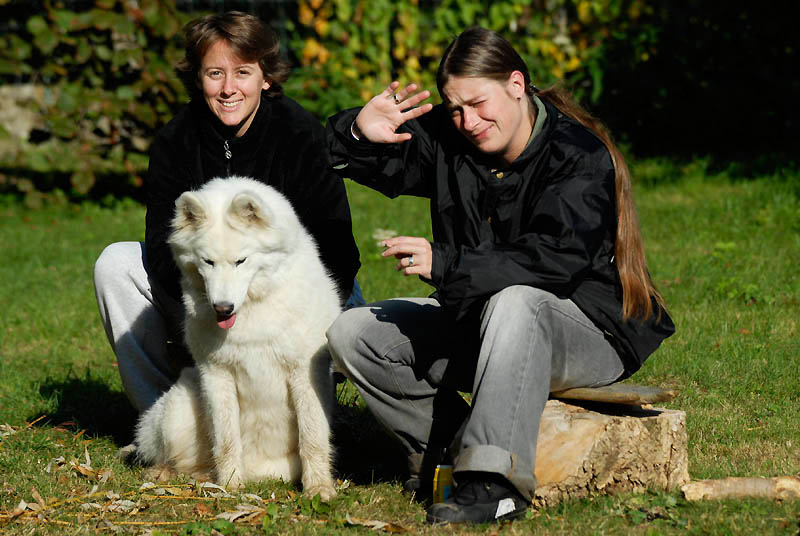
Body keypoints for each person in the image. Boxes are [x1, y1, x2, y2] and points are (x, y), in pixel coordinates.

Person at [325, 27, 674, 525]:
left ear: (516, 84)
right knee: (353, 332)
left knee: (517, 301)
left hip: (587, 330)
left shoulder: (577, 155)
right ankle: (442, 456)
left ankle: (495, 484)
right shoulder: (454, 139)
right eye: (455, 108)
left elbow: (556, 262)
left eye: (478, 102)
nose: (467, 121)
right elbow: (360, 159)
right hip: (486, 325)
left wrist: (448, 263)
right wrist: (358, 132)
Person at [93, 11, 362, 414]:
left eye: (243, 72)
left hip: (291, 298)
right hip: (207, 296)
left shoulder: (302, 134)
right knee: (115, 263)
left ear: (265, 78)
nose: (228, 88)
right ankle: (162, 414)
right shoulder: (174, 141)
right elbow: (164, 251)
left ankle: (307, 401)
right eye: (215, 73)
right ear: (197, 77)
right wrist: (215, 304)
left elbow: (338, 252)